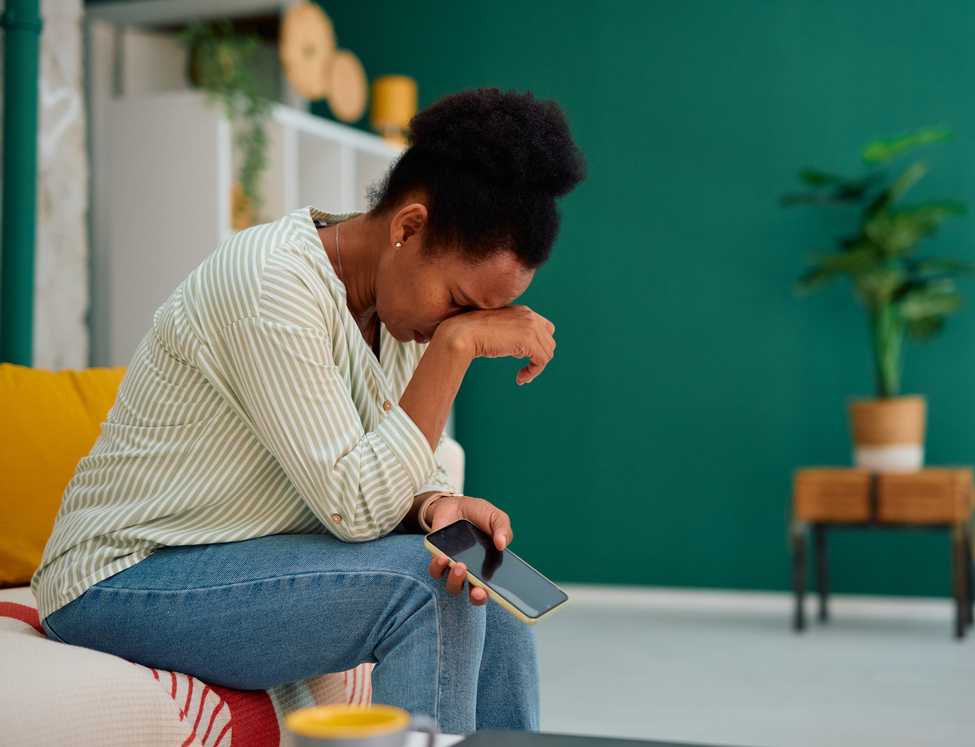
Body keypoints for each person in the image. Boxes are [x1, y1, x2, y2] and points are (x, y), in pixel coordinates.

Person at [30, 87, 586, 736]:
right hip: (119, 575)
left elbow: (386, 462)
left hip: (237, 553)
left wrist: (435, 503)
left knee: (485, 595)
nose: (457, 328)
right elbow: (355, 507)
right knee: (430, 589)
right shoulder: (271, 281)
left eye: (479, 317)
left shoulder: (396, 309)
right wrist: (458, 347)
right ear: (408, 227)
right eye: (461, 303)